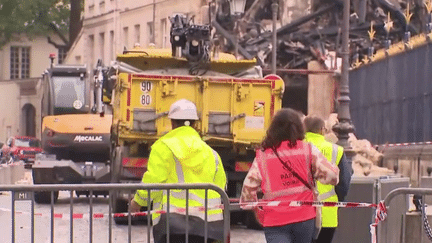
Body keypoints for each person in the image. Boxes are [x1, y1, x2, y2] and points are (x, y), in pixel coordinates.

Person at [129, 99, 227, 243]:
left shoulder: (163, 147)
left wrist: (137, 202)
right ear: (195, 124)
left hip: (172, 224)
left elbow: (153, 182)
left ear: (172, 123)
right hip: (208, 227)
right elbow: (221, 188)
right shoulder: (211, 153)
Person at [240, 108, 340, 243]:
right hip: (304, 218)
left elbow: (248, 189)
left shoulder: (263, 156)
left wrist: (257, 210)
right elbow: (332, 177)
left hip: (274, 220)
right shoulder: (308, 150)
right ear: (299, 128)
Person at [304, 115, 352, 243]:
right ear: (322, 130)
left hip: (300, 214)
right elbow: (344, 183)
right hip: (327, 212)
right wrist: (338, 202)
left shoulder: (296, 149)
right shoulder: (336, 150)